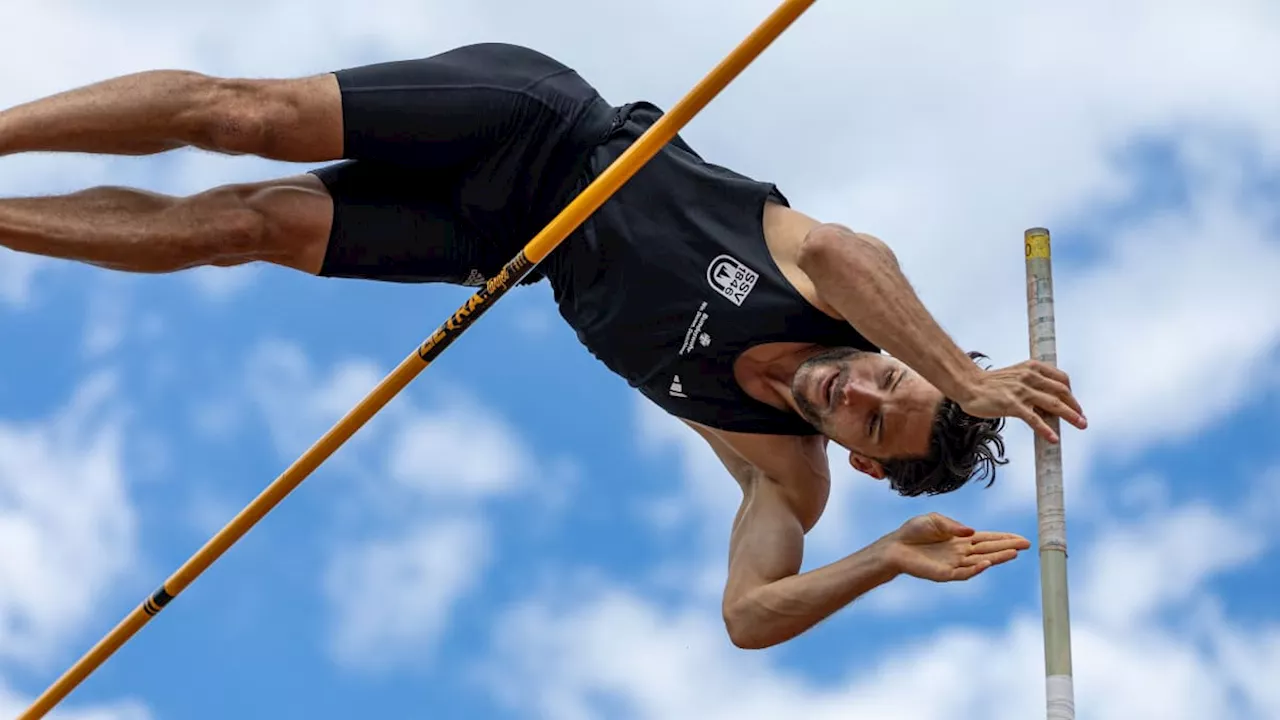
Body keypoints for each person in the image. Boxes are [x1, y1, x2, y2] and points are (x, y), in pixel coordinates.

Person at [0, 42, 1086, 649]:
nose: (858, 386)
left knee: (246, 228)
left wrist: (884, 558)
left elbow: (748, 617)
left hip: (502, 242)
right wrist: (965, 380)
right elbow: (858, 255)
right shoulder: (822, 278)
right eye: (885, 377)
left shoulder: (777, 469)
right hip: (534, 126)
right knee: (245, 115)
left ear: (858, 459)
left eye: (870, 417)